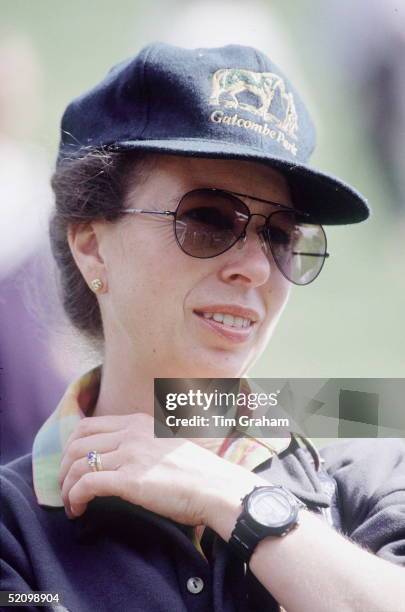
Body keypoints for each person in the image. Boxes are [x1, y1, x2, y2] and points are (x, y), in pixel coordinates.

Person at [1, 43, 404, 612]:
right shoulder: (13, 531)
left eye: (280, 235)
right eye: (208, 219)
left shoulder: (369, 467)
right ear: (93, 248)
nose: (258, 267)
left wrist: (235, 500)